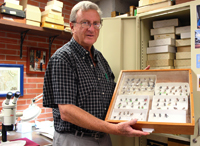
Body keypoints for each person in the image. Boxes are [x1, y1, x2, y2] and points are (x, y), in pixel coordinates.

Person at [43, 1, 150, 146]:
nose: (91, 29)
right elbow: (67, 111)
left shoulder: (99, 58)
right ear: (72, 26)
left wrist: (134, 84)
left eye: (96, 23)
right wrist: (113, 128)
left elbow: (111, 94)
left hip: (103, 138)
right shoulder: (63, 58)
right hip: (75, 139)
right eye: (85, 23)